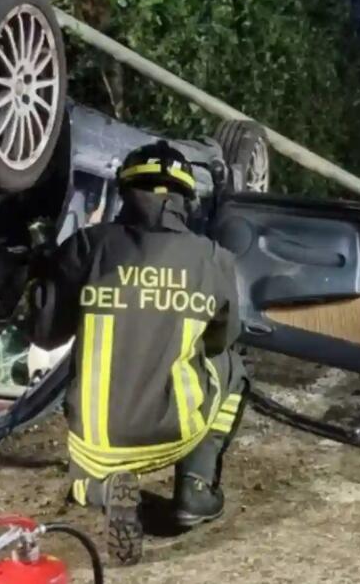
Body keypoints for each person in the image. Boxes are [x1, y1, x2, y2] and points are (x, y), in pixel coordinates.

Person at [28, 140, 247, 565]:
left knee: (86, 470)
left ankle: (101, 488)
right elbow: (222, 340)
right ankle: (195, 490)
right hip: (176, 431)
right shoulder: (213, 259)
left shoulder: (88, 247)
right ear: (186, 199)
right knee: (234, 369)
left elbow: (46, 334)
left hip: (97, 439)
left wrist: (43, 273)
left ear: (125, 191)